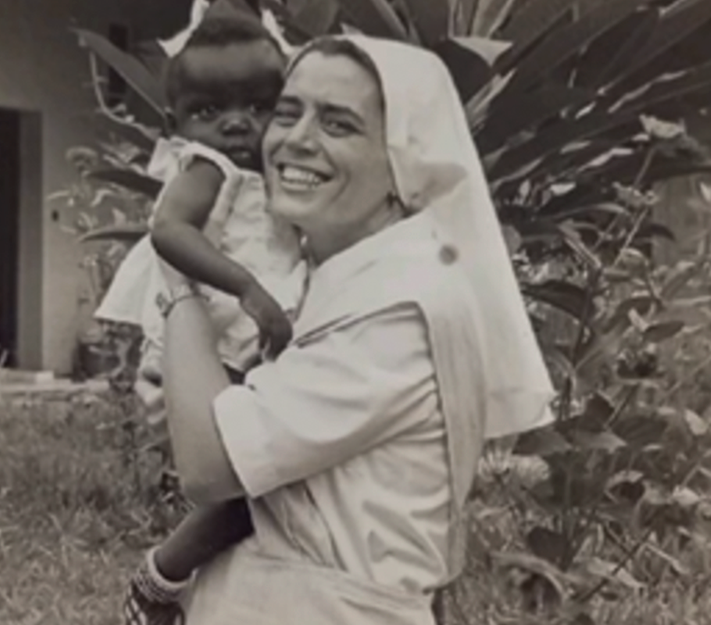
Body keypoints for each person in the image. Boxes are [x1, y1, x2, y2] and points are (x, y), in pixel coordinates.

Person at [142, 32, 557, 625]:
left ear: (401, 162)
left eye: (338, 125)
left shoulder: (400, 305)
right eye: (287, 113)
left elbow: (211, 469)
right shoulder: (346, 275)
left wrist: (178, 277)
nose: (295, 141)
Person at [91, 14, 305, 625]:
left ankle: (201, 586)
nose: (235, 124)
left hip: (239, 343)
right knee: (256, 486)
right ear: (176, 124)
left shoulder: (275, 170)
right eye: (209, 111)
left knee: (264, 485)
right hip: (208, 341)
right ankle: (159, 579)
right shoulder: (207, 165)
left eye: (258, 106)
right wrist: (248, 289)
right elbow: (168, 232)